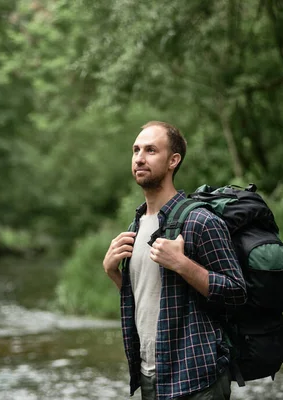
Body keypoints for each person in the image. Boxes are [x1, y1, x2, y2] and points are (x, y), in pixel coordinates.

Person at [102, 121, 247, 400]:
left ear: (173, 161)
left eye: (151, 150)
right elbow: (150, 299)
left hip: (197, 377)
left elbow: (237, 292)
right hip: (151, 376)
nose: (139, 158)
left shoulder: (200, 220)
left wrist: (182, 264)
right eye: (136, 150)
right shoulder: (136, 224)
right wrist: (113, 273)